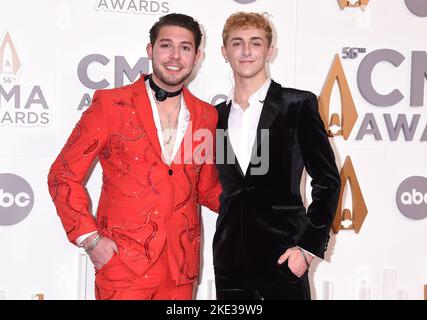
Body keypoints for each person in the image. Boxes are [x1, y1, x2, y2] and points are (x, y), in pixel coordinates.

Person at [48, 13, 221, 300]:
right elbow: (63, 175)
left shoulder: (207, 115)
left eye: (186, 48)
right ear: (150, 50)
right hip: (123, 267)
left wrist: (264, 213)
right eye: (166, 45)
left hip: (180, 269)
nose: (175, 56)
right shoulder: (111, 104)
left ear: (197, 56)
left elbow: (208, 188)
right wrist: (91, 240)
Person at [213, 12, 340, 300]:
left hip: (284, 259)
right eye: (237, 43)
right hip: (230, 264)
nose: (246, 51)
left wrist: (307, 250)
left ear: (270, 51)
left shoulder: (297, 105)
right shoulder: (215, 117)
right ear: (224, 52)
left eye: (255, 43)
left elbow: (328, 181)